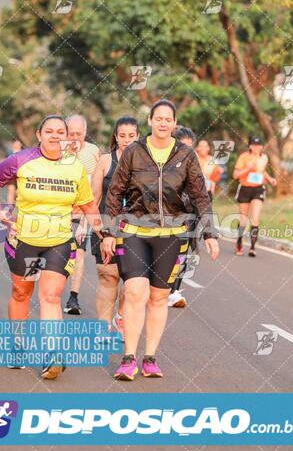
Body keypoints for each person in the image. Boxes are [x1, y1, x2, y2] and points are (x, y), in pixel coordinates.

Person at [102, 100, 219, 380]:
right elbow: (115, 193)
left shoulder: (186, 155)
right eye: (159, 118)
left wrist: (209, 233)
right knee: (133, 292)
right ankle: (129, 358)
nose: (163, 123)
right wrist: (108, 232)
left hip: (171, 234)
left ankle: (150, 358)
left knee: (158, 297)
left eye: (169, 119)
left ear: (174, 124)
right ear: (151, 121)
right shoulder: (134, 152)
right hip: (135, 230)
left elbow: (200, 195)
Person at [0, 115, 105, 380]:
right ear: (39, 135)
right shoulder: (21, 159)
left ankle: (53, 355)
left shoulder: (74, 168)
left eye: (61, 131)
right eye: (49, 131)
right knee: (21, 292)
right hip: (24, 240)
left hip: (59, 241)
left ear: (67, 136)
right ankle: (17, 345)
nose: (55, 136)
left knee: (50, 296)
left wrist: (103, 233)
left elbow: (87, 203)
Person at [91, 117, 139, 339]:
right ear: (116, 136)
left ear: (138, 137)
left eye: (131, 136)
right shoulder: (104, 161)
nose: (126, 140)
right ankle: (102, 327)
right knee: (108, 275)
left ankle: (120, 316)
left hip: (136, 229)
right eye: (122, 135)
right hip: (106, 224)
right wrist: (97, 228)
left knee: (132, 280)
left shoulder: (146, 163)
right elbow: (93, 197)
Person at [63, 114, 100, 315]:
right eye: (71, 133)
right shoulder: (57, 152)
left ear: (85, 133)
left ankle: (73, 297)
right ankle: (50, 293)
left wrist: (87, 222)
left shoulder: (93, 152)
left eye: (79, 133)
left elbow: (95, 191)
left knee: (78, 254)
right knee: (57, 257)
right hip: (57, 214)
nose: (75, 137)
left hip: (81, 215)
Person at [168, 126, 197, 308]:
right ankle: (160, 289)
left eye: (189, 147)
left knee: (183, 255)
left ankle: (173, 292)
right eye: (183, 146)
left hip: (189, 214)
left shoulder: (193, 163)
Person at [233, 136, 277, 257]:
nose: (256, 147)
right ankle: (239, 242)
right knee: (243, 219)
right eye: (253, 145)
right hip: (245, 188)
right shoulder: (244, 157)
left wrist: (270, 179)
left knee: (255, 218)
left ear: (262, 146)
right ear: (250, 146)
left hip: (258, 189)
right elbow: (235, 175)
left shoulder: (264, 157)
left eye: (258, 145)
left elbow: (262, 171)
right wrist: (247, 169)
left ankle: (252, 247)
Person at [6, 139, 22, 205]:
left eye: (18, 143)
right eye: (15, 143)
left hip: (21, 176)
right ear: (13, 144)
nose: (17, 145)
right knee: (11, 190)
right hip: (11, 176)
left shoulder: (24, 153)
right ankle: (9, 208)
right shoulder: (9, 153)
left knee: (19, 193)